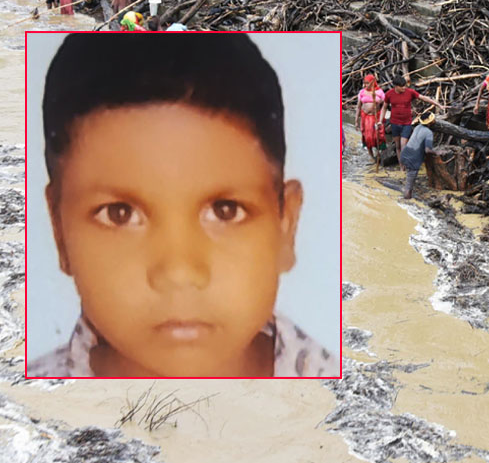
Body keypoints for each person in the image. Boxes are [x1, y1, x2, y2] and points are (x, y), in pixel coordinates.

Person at [27, 34, 337, 377]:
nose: (179, 273)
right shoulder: (22, 412)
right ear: (59, 229)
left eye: (225, 210)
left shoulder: (342, 393)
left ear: (286, 226)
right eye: (120, 214)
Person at [384, 75, 443, 157]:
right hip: (395, 123)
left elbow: (423, 98)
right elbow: (384, 107)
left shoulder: (410, 92)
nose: (404, 88)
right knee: (397, 146)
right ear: (396, 86)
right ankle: (402, 167)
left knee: (403, 144)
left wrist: (437, 104)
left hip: (406, 123)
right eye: (402, 87)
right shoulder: (389, 94)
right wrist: (380, 120)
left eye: (404, 86)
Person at [401, 113, 436, 200]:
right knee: (409, 186)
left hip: (405, 154)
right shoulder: (429, 133)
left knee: (409, 179)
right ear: (429, 123)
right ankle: (406, 202)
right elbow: (427, 150)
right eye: (433, 120)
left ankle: (406, 194)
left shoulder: (417, 127)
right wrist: (438, 152)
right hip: (413, 159)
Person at [356, 74, 386, 165]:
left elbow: (385, 105)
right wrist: (356, 120)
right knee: (367, 137)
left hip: (375, 117)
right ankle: (371, 156)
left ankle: (379, 154)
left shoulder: (379, 92)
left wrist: (381, 119)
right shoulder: (362, 92)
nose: (365, 85)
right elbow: (358, 107)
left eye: (367, 83)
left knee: (377, 136)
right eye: (364, 83)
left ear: (373, 83)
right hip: (365, 118)